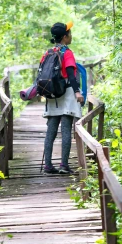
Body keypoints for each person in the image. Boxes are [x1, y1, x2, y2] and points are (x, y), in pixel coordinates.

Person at [42, 21, 84, 175]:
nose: (71, 36)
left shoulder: (48, 52)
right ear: (65, 37)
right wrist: (77, 92)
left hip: (52, 95)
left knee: (51, 131)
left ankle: (48, 165)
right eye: (69, 33)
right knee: (66, 129)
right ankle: (64, 165)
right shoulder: (67, 53)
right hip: (66, 94)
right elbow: (72, 75)